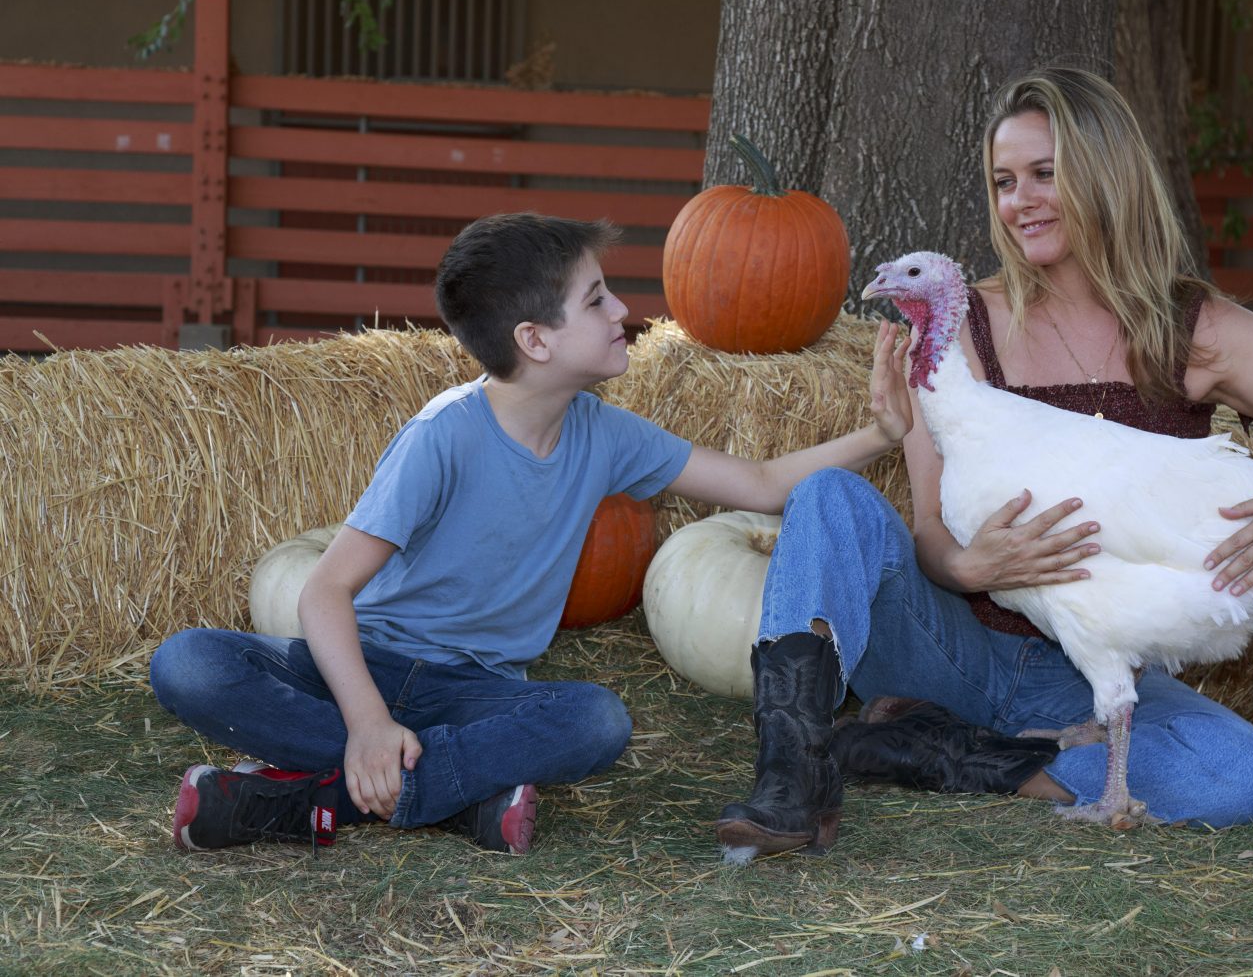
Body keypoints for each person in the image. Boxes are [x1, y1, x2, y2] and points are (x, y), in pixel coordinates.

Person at [715, 67, 1253, 858]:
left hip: (1090, 670)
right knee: (828, 500)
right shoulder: (958, 330)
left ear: (1106, 173)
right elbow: (925, 529)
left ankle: (960, 756)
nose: (1021, 201)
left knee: (1242, 777)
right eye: (1004, 181)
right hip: (956, 644)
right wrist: (972, 563)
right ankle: (790, 780)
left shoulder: (1198, 329)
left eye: (1046, 173)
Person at [149, 211, 913, 855]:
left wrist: (880, 431)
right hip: (367, 667)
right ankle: (451, 795)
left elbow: (763, 485)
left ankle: (321, 800)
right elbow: (324, 592)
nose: (623, 313)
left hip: (478, 691)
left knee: (595, 721)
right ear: (535, 340)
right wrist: (370, 722)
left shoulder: (604, 434)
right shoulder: (442, 435)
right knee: (189, 663)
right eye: (596, 299)